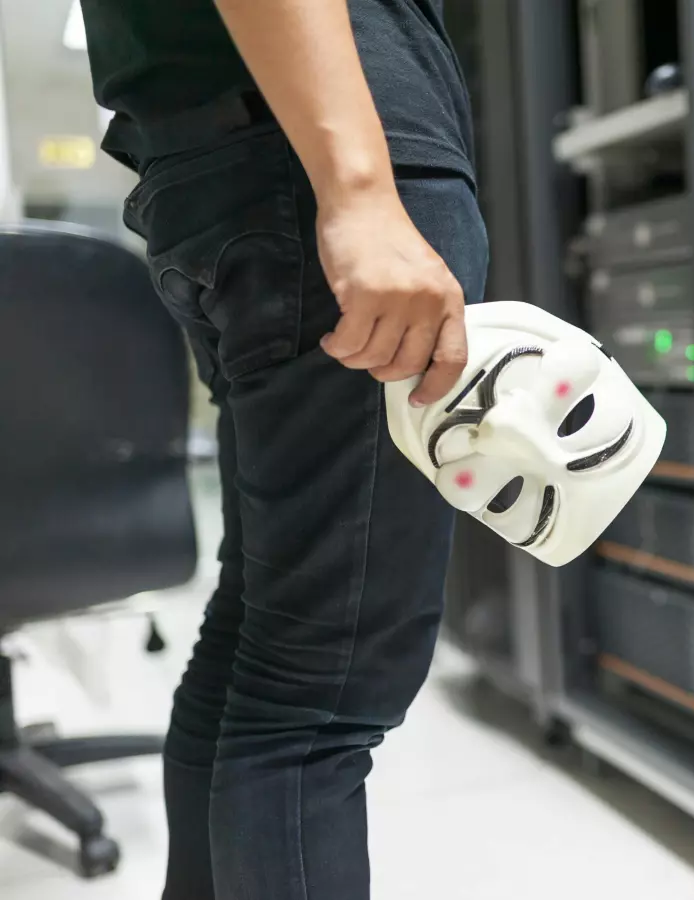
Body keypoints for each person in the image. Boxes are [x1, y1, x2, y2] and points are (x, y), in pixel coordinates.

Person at [78, 1, 487, 897]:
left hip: (222, 159)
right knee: (318, 698)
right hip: (320, 158)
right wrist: (361, 192)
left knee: (263, 646)